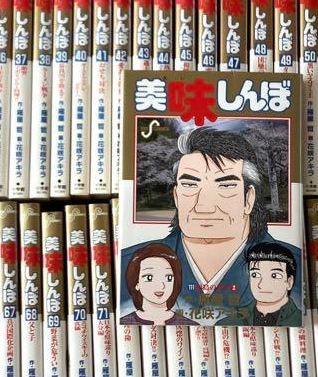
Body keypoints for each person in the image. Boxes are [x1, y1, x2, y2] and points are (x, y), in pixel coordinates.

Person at [121, 124, 301, 322]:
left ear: (249, 198)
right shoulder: (128, 265)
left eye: (226, 186)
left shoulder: (295, 265)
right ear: (176, 197)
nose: (204, 206)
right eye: (190, 185)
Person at [219, 242, 301, 325]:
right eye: (255, 275)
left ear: (289, 282)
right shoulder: (228, 323)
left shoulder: (300, 320)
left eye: (274, 275)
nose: (262, 284)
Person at [119, 243, 192, 325]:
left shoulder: (187, 323)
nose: (161, 286)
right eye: (149, 278)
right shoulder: (124, 322)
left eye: (168, 278)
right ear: (137, 283)